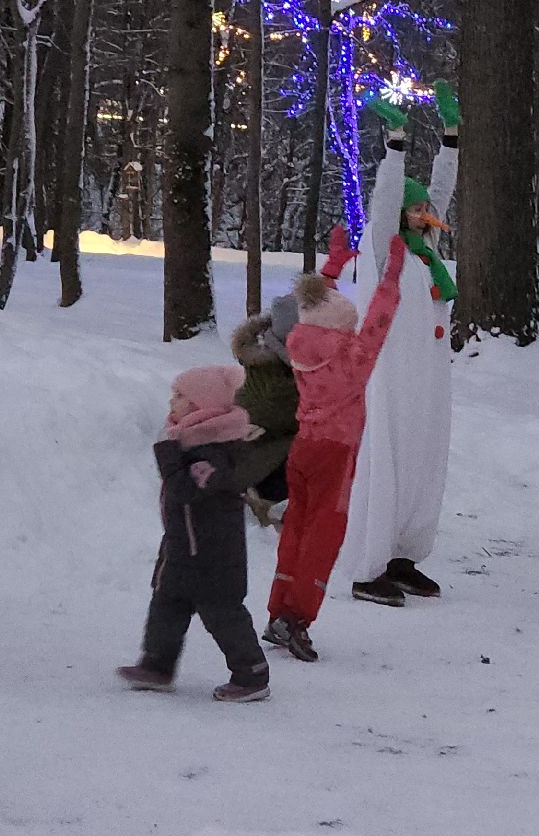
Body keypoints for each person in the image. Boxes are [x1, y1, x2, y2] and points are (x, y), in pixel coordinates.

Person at [262, 226, 408, 662]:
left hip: (303, 448)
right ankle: (298, 618)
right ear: (343, 328)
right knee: (324, 536)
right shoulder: (351, 357)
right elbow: (378, 323)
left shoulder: (298, 342)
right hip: (336, 452)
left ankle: (278, 610)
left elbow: (311, 306)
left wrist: (332, 268)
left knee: (297, 530)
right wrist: (391, 278)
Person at [339, 81, 459, 606]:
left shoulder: (427, 254)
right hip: (388, 375)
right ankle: (368, 567)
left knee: (424, 461)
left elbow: (443, 192)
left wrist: (451, 138)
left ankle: (404, 555)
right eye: (416, 209)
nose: (423, 213)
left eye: (424, 209)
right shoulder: (380, 251)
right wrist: (395, 144)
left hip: (428, 377)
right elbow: (388, 198)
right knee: (386, 461)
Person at [118, 367, 278, 702]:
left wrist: (166, 454)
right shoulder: (189, 441)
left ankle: (252, 673)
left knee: (221, 611)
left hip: (212, 552)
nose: (171, 402)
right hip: (182, 545)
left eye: (180, 397)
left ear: (201, 406)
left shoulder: (213, 451)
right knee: (167, 601)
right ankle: (157, 665)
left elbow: (182, 490)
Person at [231, 291, 301, 526]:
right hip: (250, 463)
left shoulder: (267, 362)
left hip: (252, 454)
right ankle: (265, 500)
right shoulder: (279, 384)